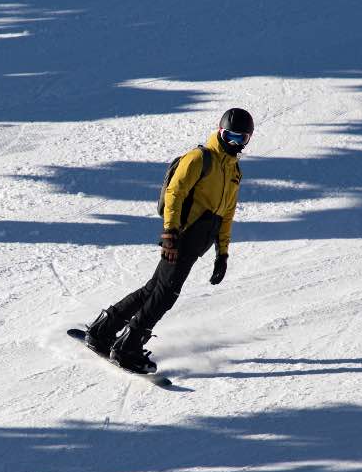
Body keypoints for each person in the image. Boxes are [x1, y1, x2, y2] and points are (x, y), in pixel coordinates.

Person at [83, 108, 252, 373]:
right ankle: (128, 347)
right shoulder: (199, 158)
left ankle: (103, 330)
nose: (234, 143)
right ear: (219, 132)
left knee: (155, 289)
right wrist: (170, 234)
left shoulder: (234, 172)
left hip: (199, 243)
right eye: (229, 136)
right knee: (165, 294)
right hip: (182, 237)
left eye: (240, 139)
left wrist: (222, 254)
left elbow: (226, 214)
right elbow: (175, 193)